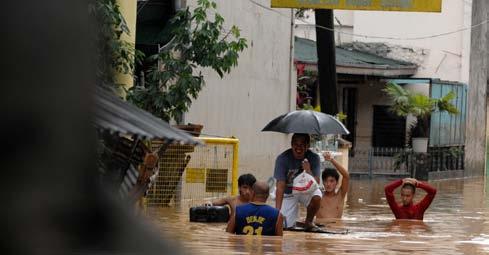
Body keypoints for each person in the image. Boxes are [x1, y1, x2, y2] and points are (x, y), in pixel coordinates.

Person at [274, 133, 321, 230]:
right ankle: (292, 221)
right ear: (291, 144)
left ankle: (308, 221)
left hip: (306, 191)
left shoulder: (314, 158)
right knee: (285, 226)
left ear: (308, 146)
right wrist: (277, 212)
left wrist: (308, 171)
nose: (298, 148)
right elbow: (280, 186)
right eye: (296, 144)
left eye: (302, 144)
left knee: (317, 196)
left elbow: (317, 183)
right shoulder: (282, 159)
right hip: (288, 192)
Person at [316, 151, 350, 219]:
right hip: (320, 228)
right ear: (322, 182)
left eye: (331, 181)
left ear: (337, 182)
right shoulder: (318, 196)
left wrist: (332, 160)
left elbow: (346, 176)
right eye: (326, 181)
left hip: (336, 228)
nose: (328, 184)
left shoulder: (340, 196)